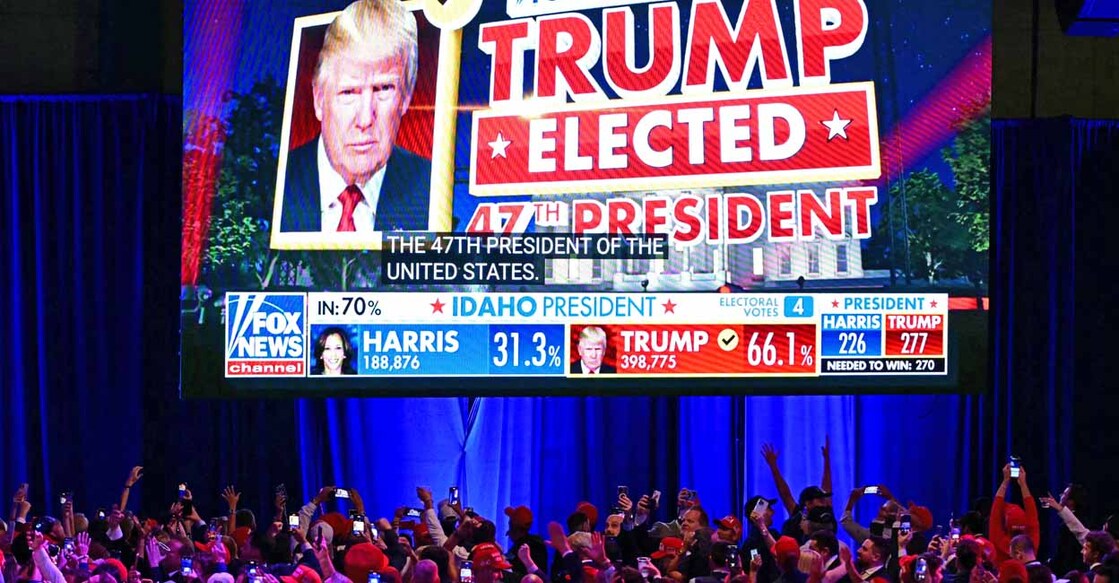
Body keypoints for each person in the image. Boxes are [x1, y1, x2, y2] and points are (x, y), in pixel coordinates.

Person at [280, 0, 432, 235]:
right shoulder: (274, 183)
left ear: (405, 97)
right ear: (319, 99)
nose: (364, 120)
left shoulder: (434, 191)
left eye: (383, 89)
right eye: (349, 92)